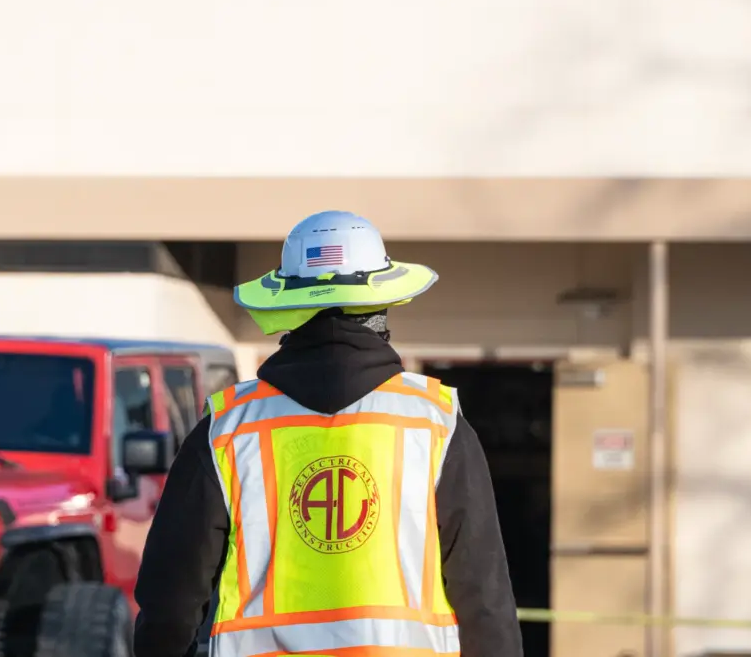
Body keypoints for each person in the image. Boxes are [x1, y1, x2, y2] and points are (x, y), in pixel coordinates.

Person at [133, 211, 523, 657]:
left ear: (288, 305)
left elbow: (171, 599)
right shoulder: (434, 424)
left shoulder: (228, 430)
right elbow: (483, 597)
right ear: (381, 304)